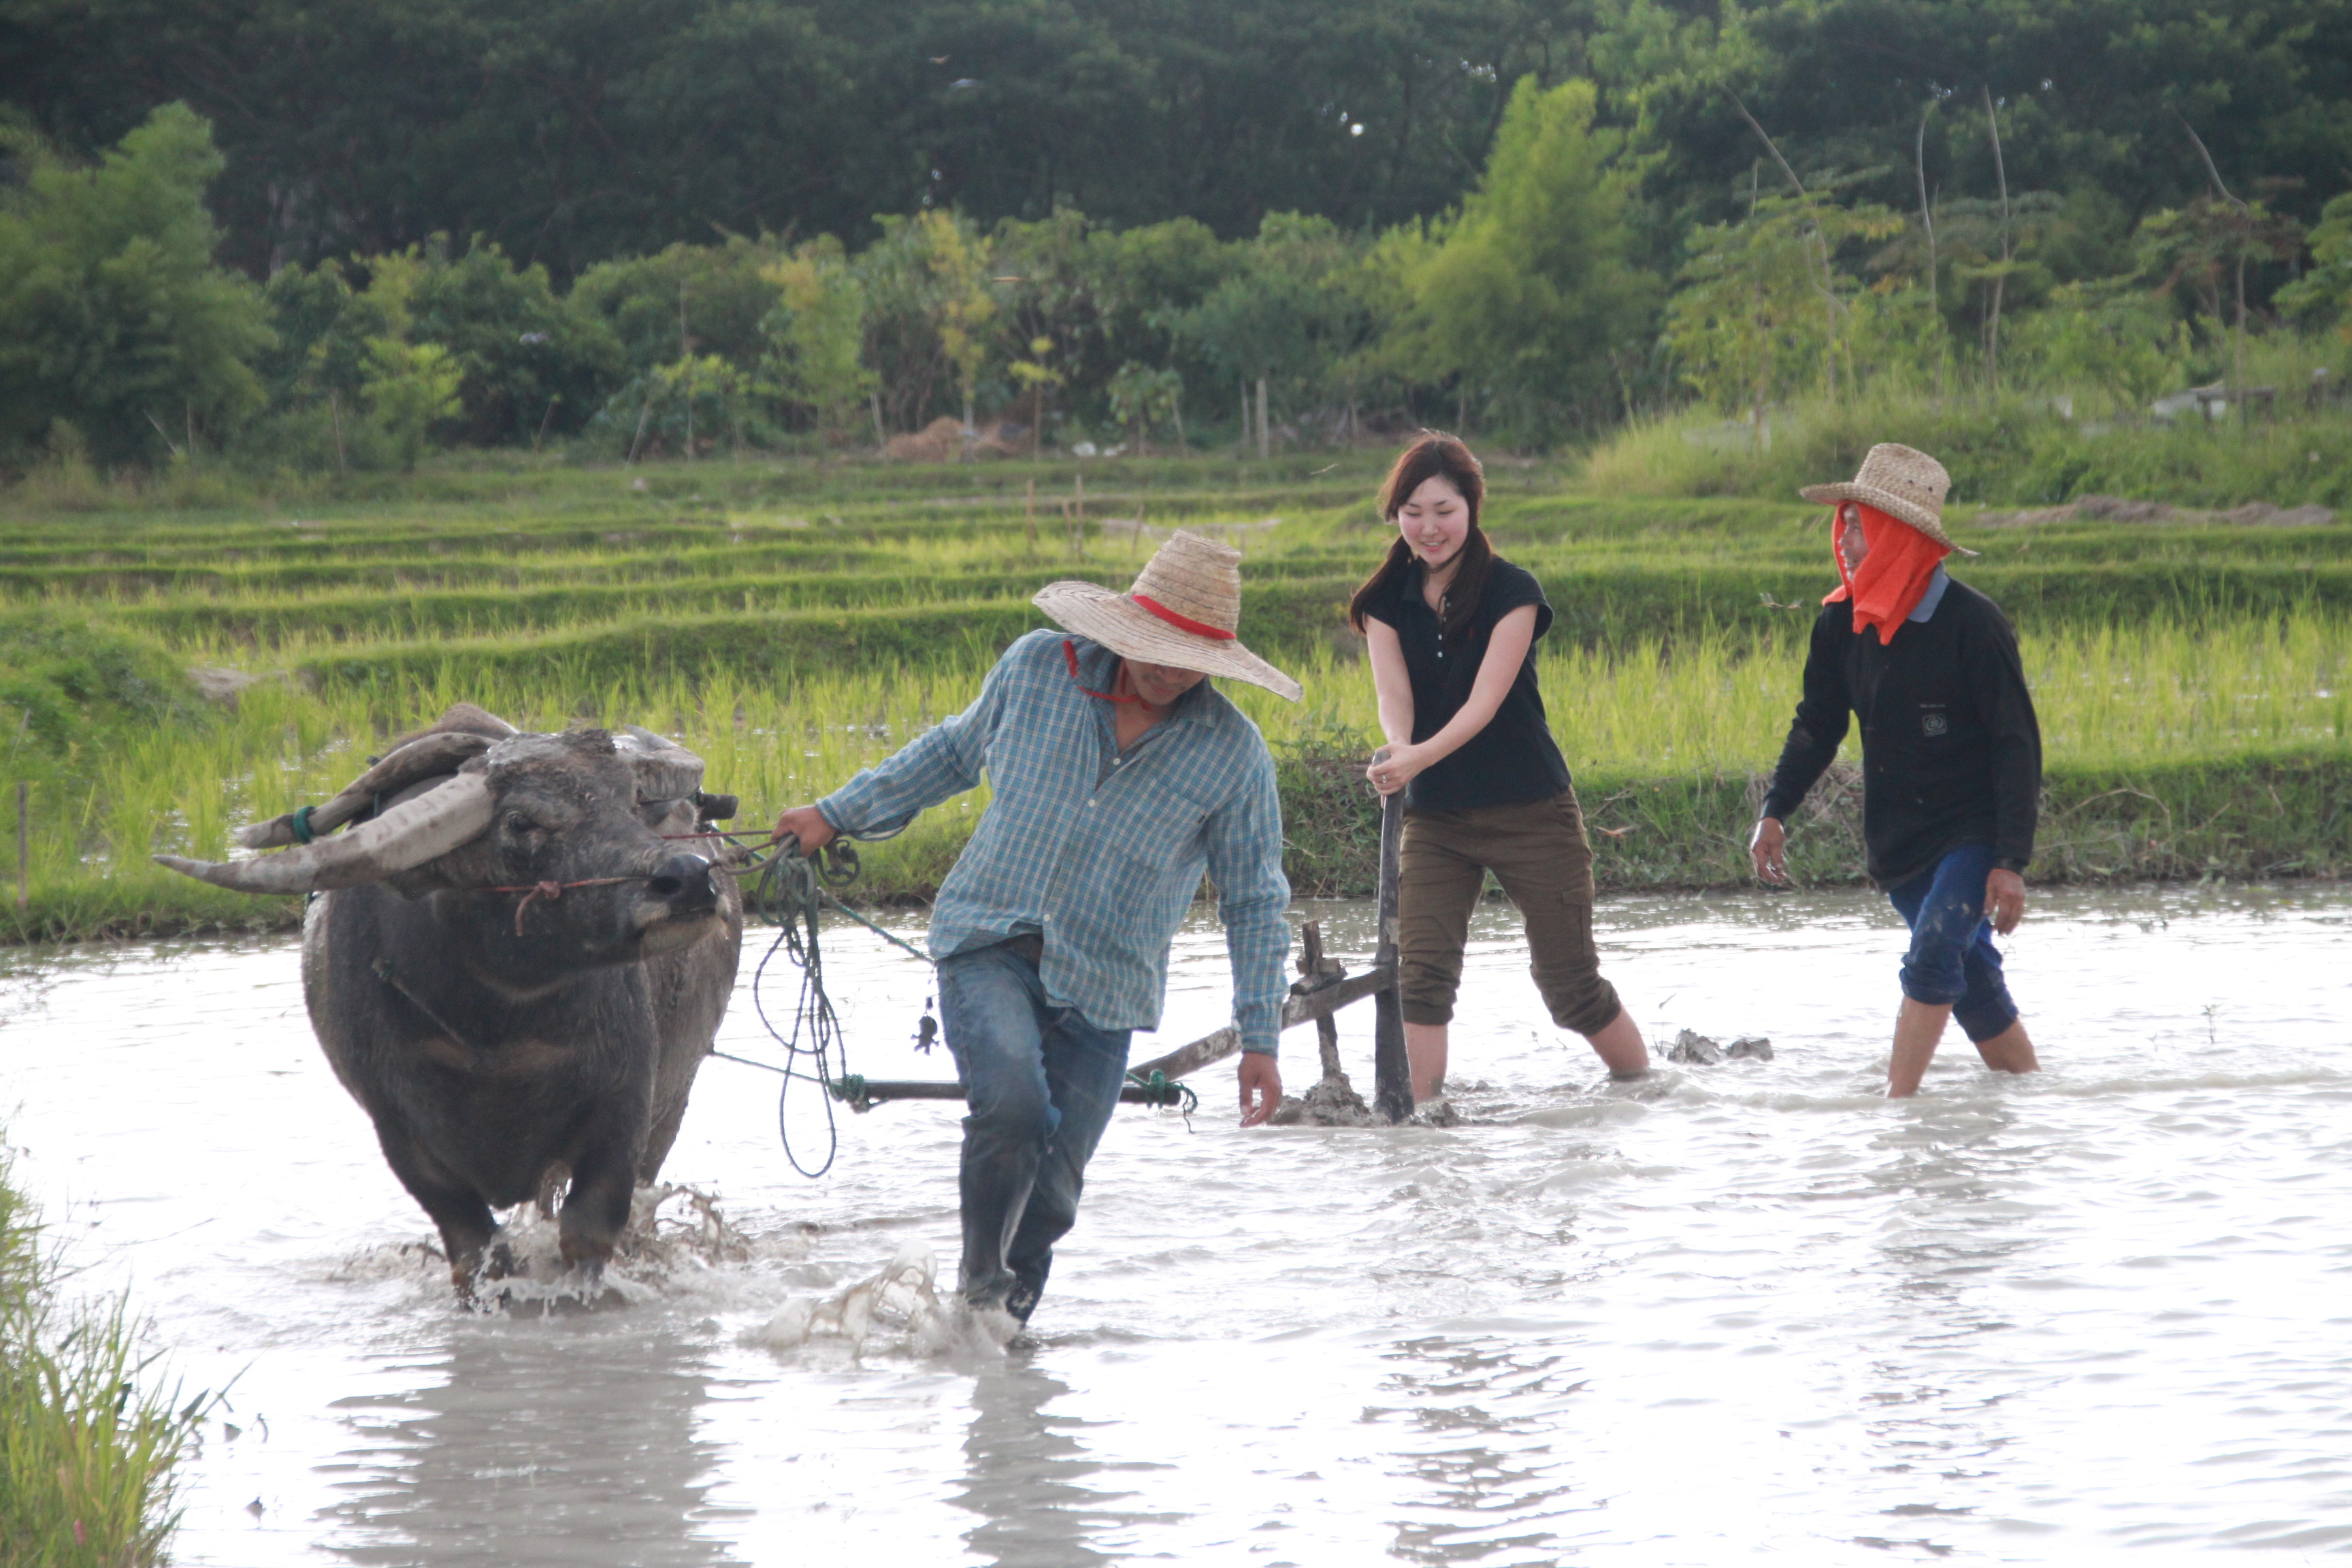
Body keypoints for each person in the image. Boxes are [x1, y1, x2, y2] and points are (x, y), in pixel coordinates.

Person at [774, 531, 1301, 1335]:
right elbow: (952, 754)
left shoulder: (1233, 755)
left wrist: (1260, 1035)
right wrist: (836, 813)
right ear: (1125, 629)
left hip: (1106, 985)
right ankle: (981, 1287)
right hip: (989, 940)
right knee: (1015, 1106)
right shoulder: (1036, 668)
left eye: (1189, 660)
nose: (1167, 672)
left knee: (1053, 1195)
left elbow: (1256, 899)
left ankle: (998, 1349)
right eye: (1156, 650)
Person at [1352, 432, 1649, 1104]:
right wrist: (1398, 750)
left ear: (1472, 508)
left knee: (1572, 988)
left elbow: (1484, 705)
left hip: (1532, 812)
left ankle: (1647, 1093)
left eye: (1444, 511)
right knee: (1421, 981)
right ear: (1396, 515)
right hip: (1437, 820)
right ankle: (1419, 1122)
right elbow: (1394, 699)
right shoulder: (1384, 601)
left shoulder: (1513, 592)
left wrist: (1417, 757)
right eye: (1413, 512)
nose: (1429, 528)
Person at [1748, 444, 2044, 1097]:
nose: (1844, 540)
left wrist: (2010, 861)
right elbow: (1817, 725)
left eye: (1859, 526)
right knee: (1973, 982)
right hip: (1900, 841)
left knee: (1936, 950)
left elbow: (2016, 745)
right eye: (1845, 524)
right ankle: (2031, 1095)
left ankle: (1897, 1108)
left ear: (1897, 535)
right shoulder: (1840, 622)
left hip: (1972, 831)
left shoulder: (1974, 625)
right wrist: (1775, 809)